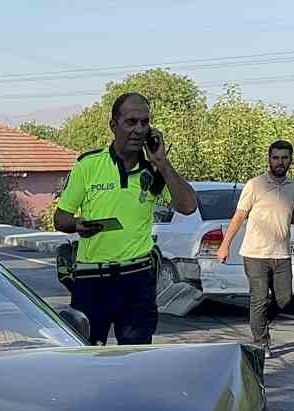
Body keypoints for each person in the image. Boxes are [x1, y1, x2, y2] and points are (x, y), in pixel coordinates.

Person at [53, 92, 197, 345]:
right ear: (113, 125)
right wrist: (77, 225)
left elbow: (188, 206)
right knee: (87, 356)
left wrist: (162, 163)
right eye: (131, 122)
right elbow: (60, 219)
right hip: (91, 281)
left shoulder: (154, 170)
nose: (138, 130)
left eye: (144, 122)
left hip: (137, 279)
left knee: (136, 361)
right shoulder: (89, 165)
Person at [217, 140, 294, 357]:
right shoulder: (255, 185)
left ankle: (261, 323)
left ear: (291, 161)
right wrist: (225, 245)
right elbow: (239, 216)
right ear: (269, 160)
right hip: (255, 254)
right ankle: (261, 342)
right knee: (259, 298)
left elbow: (291, 213)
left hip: (281, 253)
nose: (279, 162)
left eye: (284, 158)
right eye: (275, 157)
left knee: (284, 299)